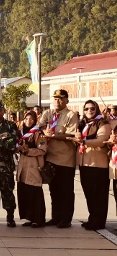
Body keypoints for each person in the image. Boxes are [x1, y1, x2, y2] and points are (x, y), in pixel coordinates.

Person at [38, 89, 79, 228]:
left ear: (67, 100)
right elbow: (40, 127)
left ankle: (66, 218)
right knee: (53, 189)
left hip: (65, 159)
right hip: (50, 157)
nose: (57, 101)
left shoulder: (71, 115)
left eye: (61, 99)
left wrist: (53, 136)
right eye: (55, 98)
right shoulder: (48, 113)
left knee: (66, 190)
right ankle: (55, 217)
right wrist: (44, 131)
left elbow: (72, 135)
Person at [68, 100, 110, 230]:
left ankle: (99, 222)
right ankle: (92, 218)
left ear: (96, 109)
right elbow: (77, 139)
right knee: (89, 194)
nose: (89, 111)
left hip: (98, 164)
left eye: (92, 108)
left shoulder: (103, 123)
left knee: (99, 195)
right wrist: (76, 139)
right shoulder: (83, 124)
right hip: (84, 163)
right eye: (86, 109)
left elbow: (101, 140)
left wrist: (83, 141)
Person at [16, 111, 47, 228]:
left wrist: (28, 151)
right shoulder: (21, 133)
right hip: (22, 166)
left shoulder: (39, 134)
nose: (28, 121)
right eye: (26, 119)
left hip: (34, 165)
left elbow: (43, 150)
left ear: (35, 120)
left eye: (31, 119)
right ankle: (29, 217)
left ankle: (38, 219)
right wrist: (18, 148)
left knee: (35, 192)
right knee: (25, 192)